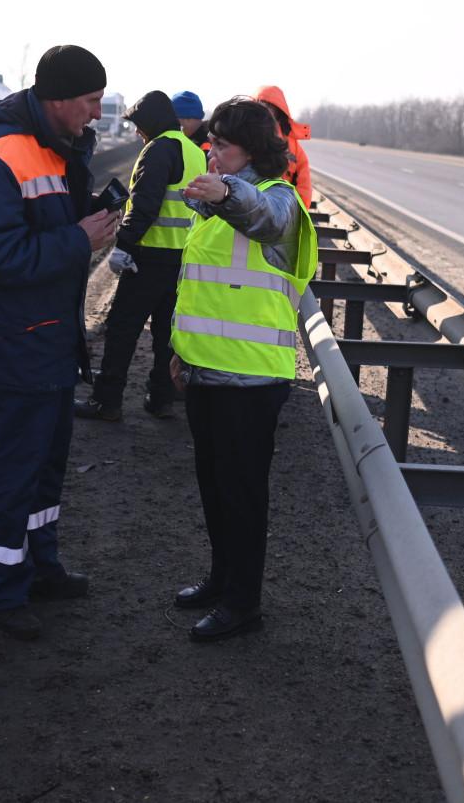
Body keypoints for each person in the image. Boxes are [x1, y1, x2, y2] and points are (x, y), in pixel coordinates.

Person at [0, 44, 119, 641]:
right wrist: (79, 239)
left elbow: (46, 227)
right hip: (15, 346)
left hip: (49, 343)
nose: (97, 114)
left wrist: (92, 215)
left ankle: (37, 566)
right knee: (7, 474)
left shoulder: (53, 147)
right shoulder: (4, 154)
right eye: (90, 100)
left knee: (43, 472)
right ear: (56, 99)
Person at [169, 96, 316, 642]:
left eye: (222, 145)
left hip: (252, 381)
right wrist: (179, 352)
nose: (211, 152)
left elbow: (261, 216)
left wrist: (227, 191)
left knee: (242, 493)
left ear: (251, 151)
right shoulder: (213, 209)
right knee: (213, 485)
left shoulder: (278, 202)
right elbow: (200, 291)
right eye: (211, 143)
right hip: (207, 372)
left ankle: (243, 603)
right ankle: (221, 579)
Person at [74, 90, 204, 422]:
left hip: (149, 257)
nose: (136, 133)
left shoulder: (159, 149)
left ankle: (107, 401)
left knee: (122, 329)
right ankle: (161, 399)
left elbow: (146, 204)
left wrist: (124, 246)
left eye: (138, 126)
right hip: (182, 260)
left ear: (150, 123)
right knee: (166, 334)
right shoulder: (193, 151)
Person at [255, 85, 312, 209]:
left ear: (278, 110)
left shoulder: (293, 147)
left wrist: (296, 214)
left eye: (269, 105)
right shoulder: (243, 135)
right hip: (250, 208)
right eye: (260, 104)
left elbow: (304, 185)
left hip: (282, 211)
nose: (265, 110)